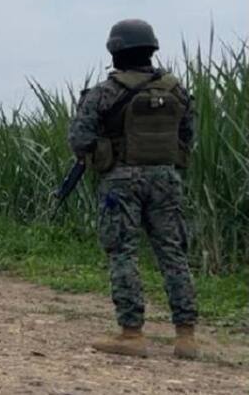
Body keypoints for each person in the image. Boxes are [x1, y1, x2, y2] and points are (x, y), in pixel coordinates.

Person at [68, 19, 199, 359]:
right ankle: (186, 337)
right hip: (167, 180)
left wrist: (104, 151)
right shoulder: (175, 90)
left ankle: (131, 334)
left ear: (114, 51)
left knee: (122, 252)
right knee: (173, 253)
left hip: (121, 181)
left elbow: (79, 139)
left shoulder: (104, 92)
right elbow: (187, 137)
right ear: (151, 50)